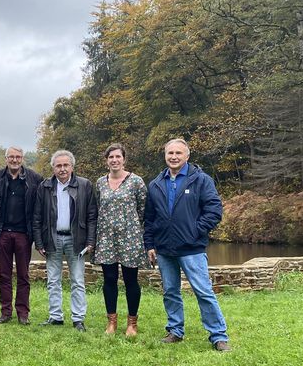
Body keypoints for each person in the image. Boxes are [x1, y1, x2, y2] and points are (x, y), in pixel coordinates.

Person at [144, 138, 231, 351]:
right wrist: (150, 245)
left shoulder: (201, 180)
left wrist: (195, 231)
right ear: (165, 156)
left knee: (203, 291)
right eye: (170, 153)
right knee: (170, 291)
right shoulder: (156, 184)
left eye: (178, 153)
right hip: (164, 248)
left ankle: (218, 336)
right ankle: (175, 331)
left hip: (192, 248)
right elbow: (149, 218)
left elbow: (214, 210)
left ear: (187, 156)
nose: (173, 157)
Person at [33, 150, 97, 330]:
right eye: (58, 166)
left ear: (72, 167)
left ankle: (78, 319)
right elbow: (37, 217)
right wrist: (39, 242)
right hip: (52, 238)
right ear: (53, 168)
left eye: (65, 165)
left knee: (77, 280)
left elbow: (92, 215)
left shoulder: (84, 185)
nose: (62, 169)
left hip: (76, 239)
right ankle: (56, 316)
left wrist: (90, 240)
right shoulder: (44, 186)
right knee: (53, 280)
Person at [92, 144, 148, 337]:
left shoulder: (136, 181)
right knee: (109, 280)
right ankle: (111, 322)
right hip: (107, 238)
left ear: (124, 159)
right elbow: (99, 208)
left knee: (131, 280)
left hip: (130, 237)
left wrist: (132, 228)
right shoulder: (100, 182)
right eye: (110, 157)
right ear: (106, 160)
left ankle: (132, 323)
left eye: (118, 156)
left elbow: (143, 210)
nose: (114, 160)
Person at [0, 146, 43, 325]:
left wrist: (36, 234)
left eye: (18, 157)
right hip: (2, 233)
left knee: (23, 275)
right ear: (6, 158)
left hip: (23, 234)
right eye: (11, 157)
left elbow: (38, 209)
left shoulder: (35, 179)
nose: (14, 160)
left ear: (22, 158)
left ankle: (23, 313)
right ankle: (5, 312)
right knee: (4, 275)